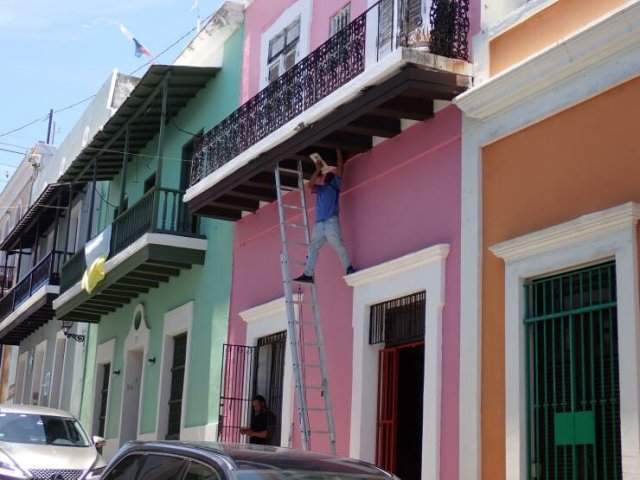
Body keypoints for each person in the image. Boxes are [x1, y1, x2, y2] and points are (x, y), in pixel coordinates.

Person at [294, 149, 355, 283]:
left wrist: (338, 149)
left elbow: (340, 166)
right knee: (313, 247)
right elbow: (310, 185)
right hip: (319, 224)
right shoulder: (321, 188)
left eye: (329, 174)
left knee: (338, 245)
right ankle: (308, 274)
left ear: (332, 178)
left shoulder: (335, 185)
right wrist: (317, 169)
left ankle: (348, 267)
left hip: (330, 222)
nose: (327, 175)